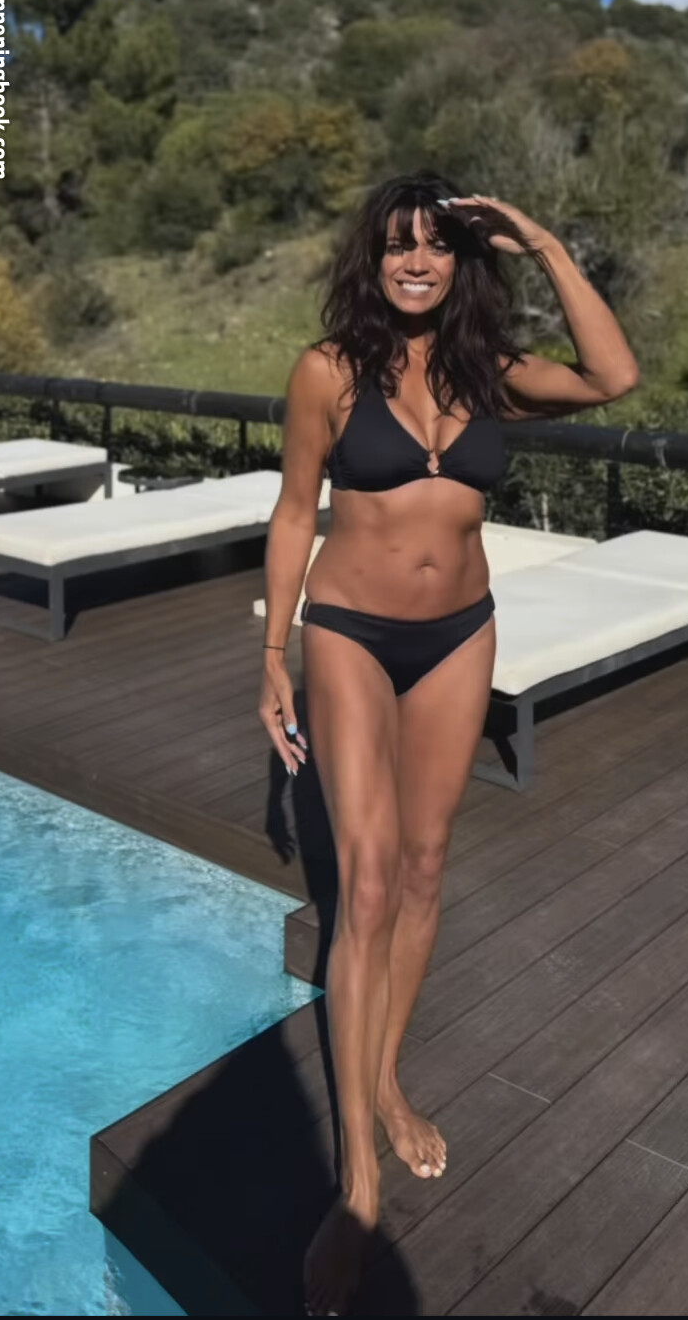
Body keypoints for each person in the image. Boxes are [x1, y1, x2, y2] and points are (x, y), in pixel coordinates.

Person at [258, 170, 639, 1315]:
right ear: (370, 259)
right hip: (350, 631)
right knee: (367, 883)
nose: (415, 262)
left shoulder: (490, 372)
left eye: (435, 244)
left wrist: (540, 240)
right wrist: (271, 651)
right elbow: (296, 508)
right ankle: (358, 1185)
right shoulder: (328, 371)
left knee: (425, 868)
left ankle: (382, 1078)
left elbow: (614, 376)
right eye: (396, 245)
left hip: (460, 632)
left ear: (462, 260)